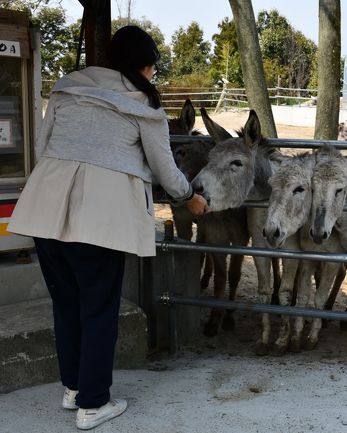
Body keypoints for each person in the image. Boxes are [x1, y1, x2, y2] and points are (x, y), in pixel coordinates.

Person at [8, 25, 207, 430]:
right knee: (99, 309)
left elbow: (44, 147)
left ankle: (74, 389)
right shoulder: (145, 107)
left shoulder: (67, 90)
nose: (152, 76)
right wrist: (190, 197)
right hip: (100, 216)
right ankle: (94, 404)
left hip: (46, 206)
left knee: (67, 306)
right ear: (144, 66)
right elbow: (165, 171)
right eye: (152, 68)